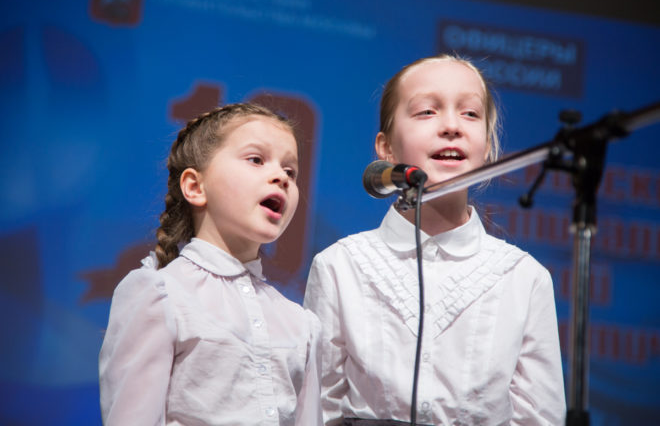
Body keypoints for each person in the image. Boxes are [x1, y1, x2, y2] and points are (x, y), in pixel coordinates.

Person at [303, 54, 566, 426]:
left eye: (470, 114)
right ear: (386, 148)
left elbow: (540, 418)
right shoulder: (339, 266)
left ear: (488, 147)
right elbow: (317, 411)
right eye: (427, 111)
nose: (452, 126)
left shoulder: (525, 278)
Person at [99, 103, 322, 425]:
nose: (281, 178)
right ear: (195, 187)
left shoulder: (300, 323)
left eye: (291, 171)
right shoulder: (160, 294)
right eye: (256, 160)